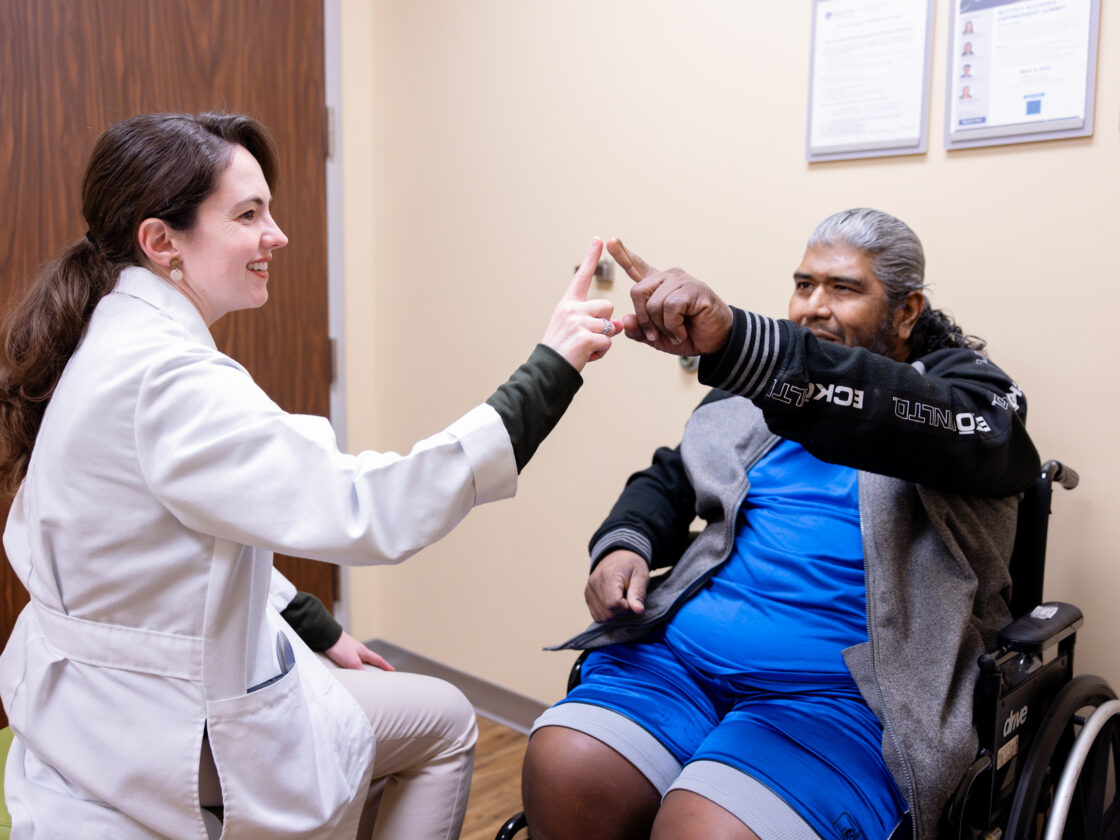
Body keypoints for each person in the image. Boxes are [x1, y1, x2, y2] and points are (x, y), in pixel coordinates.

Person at [0, 112, 621, 840]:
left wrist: (311, 623)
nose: (278, 235)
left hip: (89, 710)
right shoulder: (170, 379)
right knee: (447, 721)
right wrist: (549, 370)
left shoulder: (110, 334)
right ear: (161, 241)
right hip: (157, 729)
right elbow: (367, 506)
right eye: (248, 214)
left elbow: (184, 551)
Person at [521, 209, 1040, 840]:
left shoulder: (962, 397)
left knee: (707, 829)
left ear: (907, 312)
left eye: (843, 288)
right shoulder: (757, 394)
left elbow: (925, 418)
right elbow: (670, 475)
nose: (812, 308)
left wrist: (741, 340)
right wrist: (622, 545)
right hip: (681, 663)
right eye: (804, 284)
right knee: (565, 765)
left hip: (842, 702)